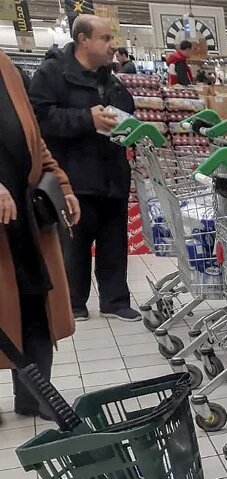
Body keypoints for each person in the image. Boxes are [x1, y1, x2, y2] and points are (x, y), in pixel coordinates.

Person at [30, 15, 137, 322]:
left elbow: (126, 108)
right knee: (74, 243)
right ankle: (73, 302)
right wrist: (86, 119)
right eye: (105, 38)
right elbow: (40, 120)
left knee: (114, 240)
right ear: (83, 40)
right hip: (74, 175)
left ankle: (115, 300)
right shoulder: (52, 73)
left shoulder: (108, 76)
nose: (112, 45)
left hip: (112, 172)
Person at [0, 51, 79, 420]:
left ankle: (35, 395)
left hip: (24, 211)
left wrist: (62, 185)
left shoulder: (6, 66)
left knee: (33, 301)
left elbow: (34, 136)